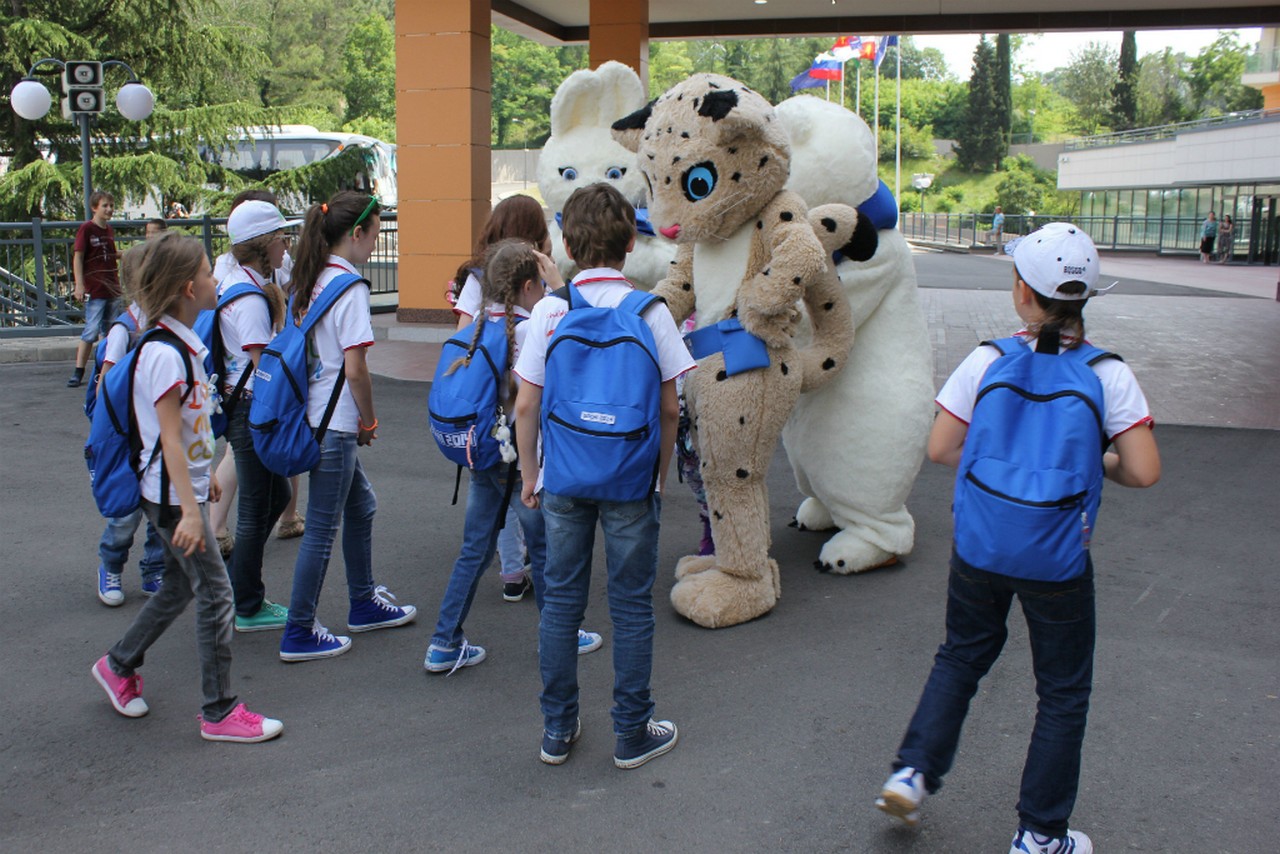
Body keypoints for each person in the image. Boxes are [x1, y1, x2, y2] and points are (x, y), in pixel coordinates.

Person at [875, 223, 1161, 854]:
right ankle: (1040, 834)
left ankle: (912, 772)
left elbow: (942, 447)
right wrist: (1093, 463)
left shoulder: (987, 359)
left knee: (961, 657)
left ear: (1021, 292)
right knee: (1062, 692)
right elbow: (1143, 470)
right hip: (1058, 557)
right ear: (1085, 298)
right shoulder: (1107, 373)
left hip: (981, 545)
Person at [514, 183, 695, 768]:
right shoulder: (651, 311)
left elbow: (526, 405)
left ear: (568, 245)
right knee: (632, 605)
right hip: (630, 480)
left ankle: (557, 729)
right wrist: (657, 478)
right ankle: (632, 731)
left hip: (564, 478)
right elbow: (670, 409)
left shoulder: (551, 310)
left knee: (562, 603)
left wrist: (531, 475)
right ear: (629, 243)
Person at [90, 231, 283, 743]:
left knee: (179, 588)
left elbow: (188, 431)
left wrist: (205, 480)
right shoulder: (165, 353)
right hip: (173, 500)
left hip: (179, 494)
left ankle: (118, 663)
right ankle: (219, 711)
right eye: (205, 271)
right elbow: (169, 440)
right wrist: (193, 511)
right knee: (217, 596)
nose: (214, 278)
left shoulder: (181, 345)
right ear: (187, 288)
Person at [425, 239, 604, 675]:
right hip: (521, 460)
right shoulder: (529, 330)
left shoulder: (476, 328)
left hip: (486, 453)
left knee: (474, 549)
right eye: (539, 285)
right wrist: (560, 284)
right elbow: (586, 334)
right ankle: (559, 635)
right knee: (544, 550)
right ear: (528, 287)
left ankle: (443, 642)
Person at [279, 191, 416, 662]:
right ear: (356, 234)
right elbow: (355, 369)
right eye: (375, 235)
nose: (376, 246)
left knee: (361, 506)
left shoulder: (311, 277)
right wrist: (368, 419)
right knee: (322, 529)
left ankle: (364, 602)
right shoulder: (350, 287)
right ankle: (300, 629)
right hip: (335, 424)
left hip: (314, 416)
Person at [451, 194, 553, 600]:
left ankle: (510, 572)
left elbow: (462, 338)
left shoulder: (478, 277)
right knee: (526, 500)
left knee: (492, 505)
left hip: (482, 416)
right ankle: (555, 615)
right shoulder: (535, 289)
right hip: (518, 420)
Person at [217, 200, 301, 633]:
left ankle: (239, 590)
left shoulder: (241, 283)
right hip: (251, 410)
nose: (286, 246)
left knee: (273, 496)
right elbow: (262, 366)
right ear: (264, 244)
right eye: (281, 238)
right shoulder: (250, 298)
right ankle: (245, 603)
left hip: (245, 407)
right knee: (255, 507)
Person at [92, 241, 165, 606]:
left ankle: (154, 569)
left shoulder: (165, 322)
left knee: (159, 506)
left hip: (156, 431)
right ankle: (111, 564)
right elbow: (106, 385)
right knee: (125, 514)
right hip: (127, 435)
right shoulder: (125, 329)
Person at [68, 191, 122, 388]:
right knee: (91, 330)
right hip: (96, 287)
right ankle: (79, 370)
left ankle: (105, 369)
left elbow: (111, 254)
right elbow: (78, 256)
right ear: (94, 208)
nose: (109, 209)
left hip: (112, 286)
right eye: (105, 206)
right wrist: (79, 284)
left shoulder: (109, 230)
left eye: (111, 206)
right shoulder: (87, 229)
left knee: (110, 332)